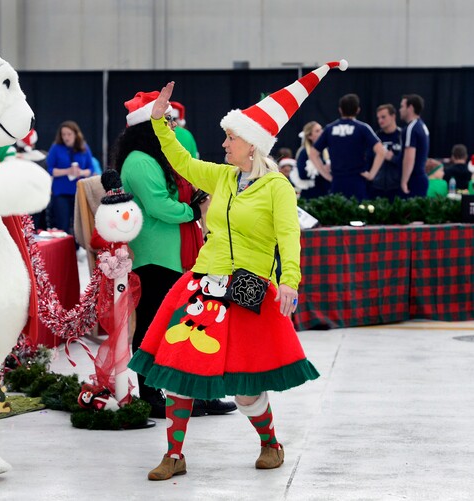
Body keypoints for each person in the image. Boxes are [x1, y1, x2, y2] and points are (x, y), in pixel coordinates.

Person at [129, 59, 344, 481]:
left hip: (248, 287)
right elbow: (181, 161)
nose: (223, 144)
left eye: (230, 138)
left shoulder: (277, 187)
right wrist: (159, 123)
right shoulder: (223, 177)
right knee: (179, 371)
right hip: (202, 283)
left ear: (252, 145)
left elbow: (289, 237)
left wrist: (289, 282)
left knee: (246, 387)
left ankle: (270, 443)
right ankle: (174, 454)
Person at [111, 90, 235, 419]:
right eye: (164, 121)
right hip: (154, 255)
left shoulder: (157, 156)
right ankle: (152, 393)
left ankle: (196, 392)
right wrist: (190, 210)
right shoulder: (140, 161)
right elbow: (158, 206)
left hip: (175, 252)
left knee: (190, 324)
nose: (171, 126)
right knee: (155, 326)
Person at [309, 93, 387, 201]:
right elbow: (381, 151)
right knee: (358, 215)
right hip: (357, 180)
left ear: (340, 110)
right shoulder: (362, 128)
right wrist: (371, 175)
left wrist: (325, 174)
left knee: (338, 214)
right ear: (358, 110)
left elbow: (313, 153)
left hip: (337, 181)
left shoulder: (330, 129)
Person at [46, 120, 95, 236]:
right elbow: (50, 169)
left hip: (78, 192)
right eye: (63, 134)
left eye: (69, 134)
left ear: (75, 134)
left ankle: (76, 250)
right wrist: (67, 171)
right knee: (62, 224)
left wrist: (81, 172)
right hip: (61, 192)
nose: (66, 137)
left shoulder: (84, 147)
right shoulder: (56, 148)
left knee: (78, 225)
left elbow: (91, 168)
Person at [399, 94, 429, 197]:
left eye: (402, 106)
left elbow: (409, 158)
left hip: (414, 180)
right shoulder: (422, 125)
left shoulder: (411, 128)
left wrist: (404, 181)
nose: (400, 110)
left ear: (410, 108)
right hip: (420, 178)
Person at [370, 104, 402, 201]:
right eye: (378, 118)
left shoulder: (402, 136)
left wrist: (393, 158)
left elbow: (409, 162)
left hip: (397, 187)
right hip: (377, 187)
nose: (380, 120)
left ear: (393, 116)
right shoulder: (375, 137)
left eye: (383, 117)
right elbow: (369, 160)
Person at [294, 122, 331, 199]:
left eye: (321, 129)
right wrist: (322, 170)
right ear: (310, 136)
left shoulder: (326, 151)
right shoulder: (304, 152)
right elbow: (302, 175)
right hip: (312, 197)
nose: (321, 132)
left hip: (326, 194)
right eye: (317, 131)